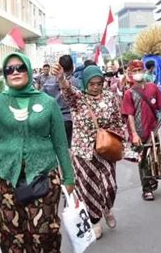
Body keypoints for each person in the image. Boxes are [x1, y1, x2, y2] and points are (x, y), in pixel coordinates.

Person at [0, 52, 75, 253]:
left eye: (20, 67)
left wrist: (69, 176)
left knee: (45, 233)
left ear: (28, 70)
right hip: (5, 177)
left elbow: (60, 143)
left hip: (43, 175)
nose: (15, 72)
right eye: (9, 69)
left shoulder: (47, 102)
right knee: (12, 235)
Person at [53, 63, 125, 239]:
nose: (95, 87)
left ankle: (107, 208)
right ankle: (95, 222)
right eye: (91, 84)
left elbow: (117, 121)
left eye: (99, 83)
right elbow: (68, 91)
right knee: (88, 189)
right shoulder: (78, 99)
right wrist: (62, 78)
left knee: (110, 187)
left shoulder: (110, 98)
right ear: (85, 83)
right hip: (83, 152)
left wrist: (121, 141)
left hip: (106, 149)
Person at [121, 60, 161, 201]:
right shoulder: (129, 93)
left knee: (156, 157)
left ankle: (152, 179)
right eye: (134, 71)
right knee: (143, 161)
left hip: (154, 130)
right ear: (130, 74)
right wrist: (134, 134)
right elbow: (129, 115)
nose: (137, 74)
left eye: (139, 70)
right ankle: (146, 189)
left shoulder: (153, 88)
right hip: (139, 133)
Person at [41, 55, 80, 147]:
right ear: (72, 67)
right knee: (70, 149)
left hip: (53, 120)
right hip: (71, 120)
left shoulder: (48, 82)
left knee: (56, 148)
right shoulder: (76, 82)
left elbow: (42, 100)